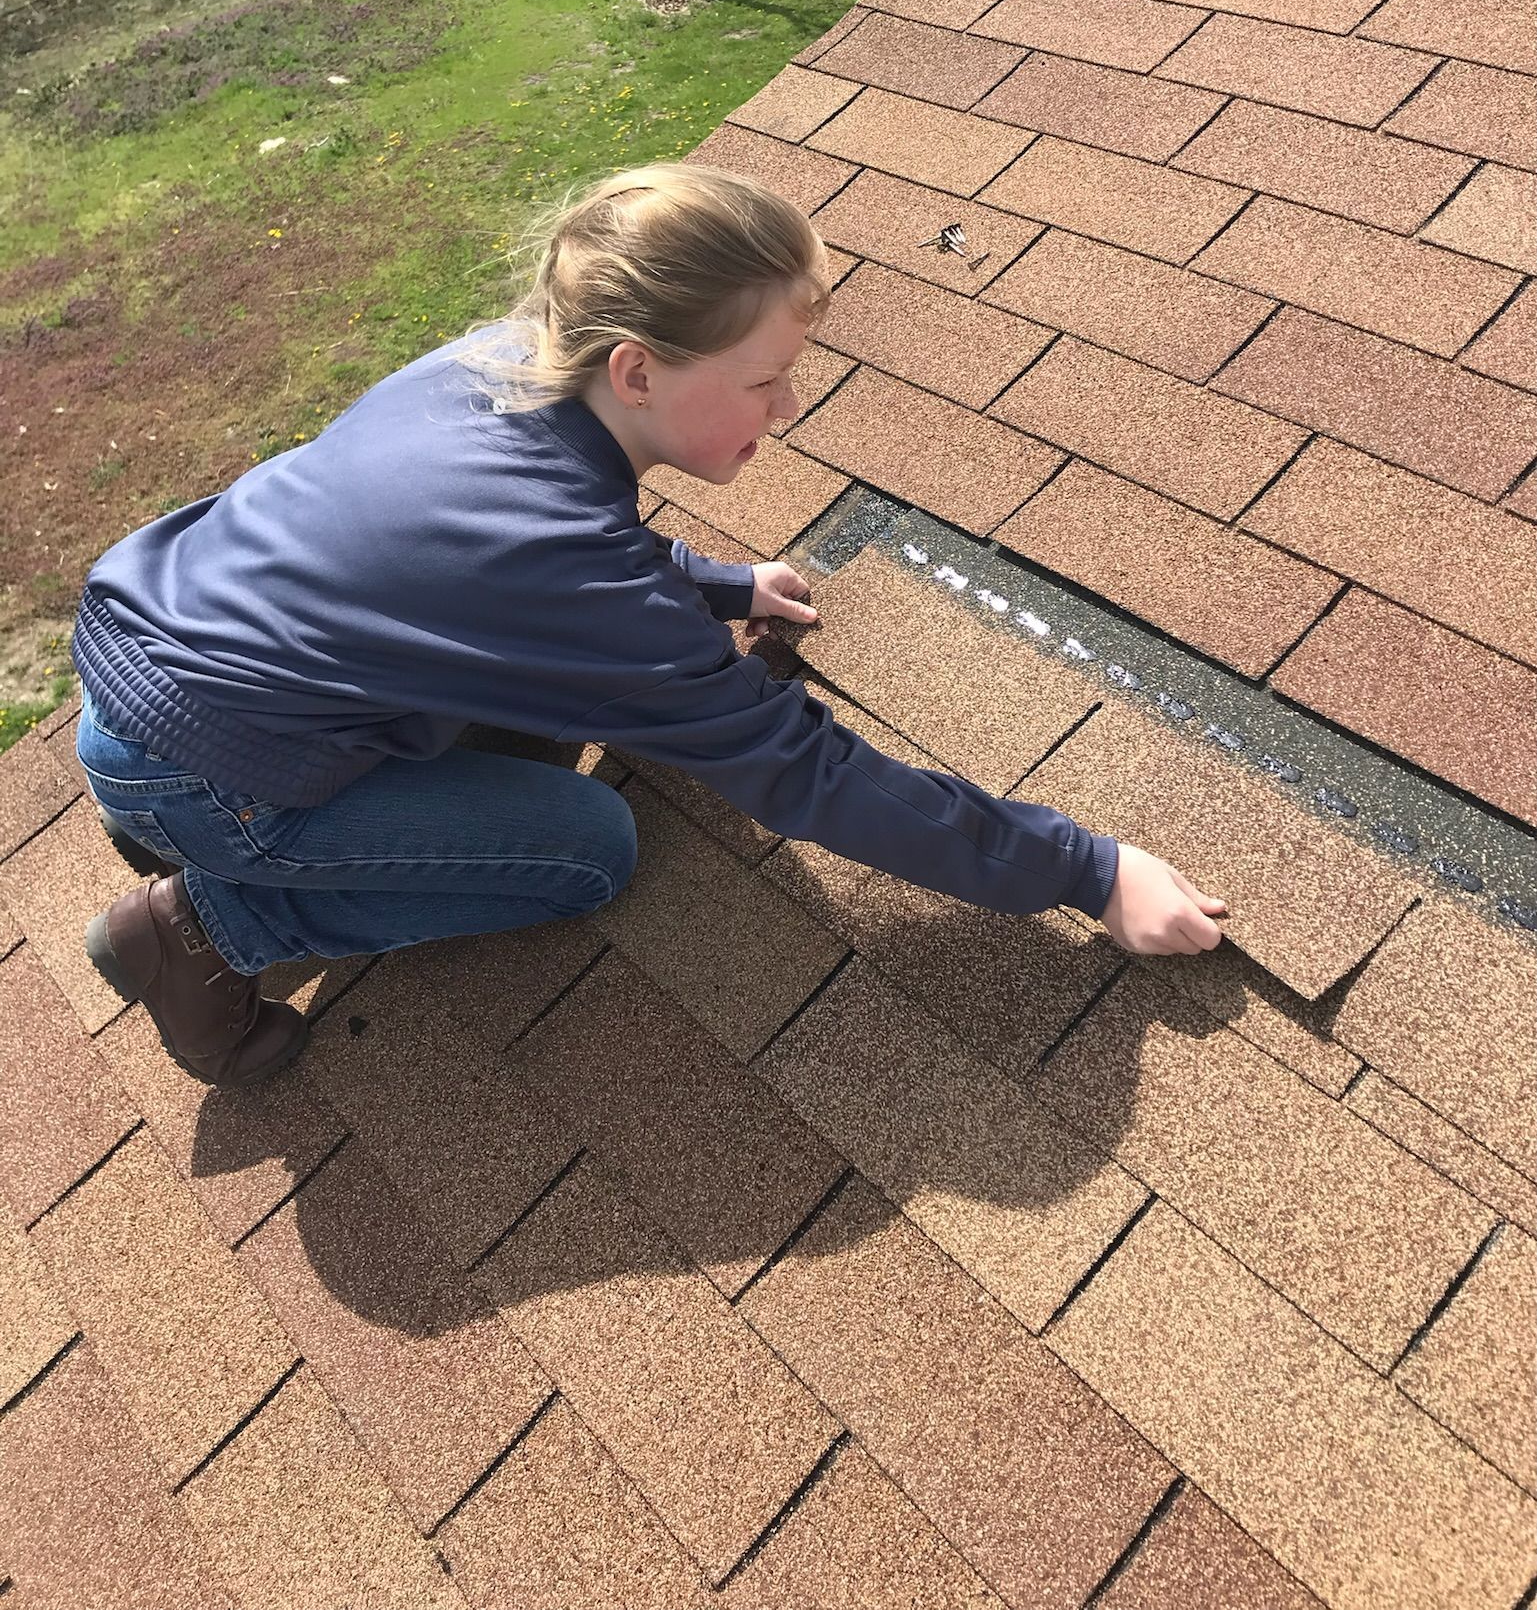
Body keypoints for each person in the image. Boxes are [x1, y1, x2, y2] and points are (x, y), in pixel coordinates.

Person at [72, 161, 1226, 1092]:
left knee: (545, 739)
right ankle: (205, 921)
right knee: (587, 846)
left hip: (159, 658)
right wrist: (1089, 868)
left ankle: (209, 833)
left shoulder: (505, 360)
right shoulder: (563, 564)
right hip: (210, 767)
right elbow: (803, 775)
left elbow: (498, 562)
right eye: (765, 379)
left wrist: (719, 587)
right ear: (634, 368)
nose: (789, 405)